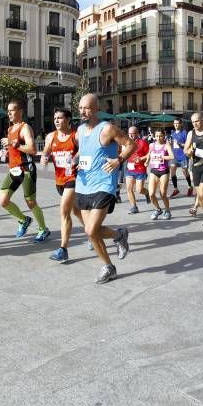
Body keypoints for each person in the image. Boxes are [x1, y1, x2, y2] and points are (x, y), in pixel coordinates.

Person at [75, 94, 137, 283]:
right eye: (80, 108)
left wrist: (119, 160)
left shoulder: (107, 129)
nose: (82, 111)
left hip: (104, 184)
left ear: (95, 108)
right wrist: (76, 161)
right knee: (91, 230)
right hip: (83, 184)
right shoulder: (79, 130)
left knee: (90, 230)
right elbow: (84, 151)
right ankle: (118, 238)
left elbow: (130, 145)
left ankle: (109, 262)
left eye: (86, 108)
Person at [0, 100, 50, 242]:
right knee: (3, 201)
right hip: (14, 169)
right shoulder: (10, 129)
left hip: (26, 169)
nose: (9, 113)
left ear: (20, 111)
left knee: (31, 202)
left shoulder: (25, 128)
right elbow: (14, 148)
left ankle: (43, 229)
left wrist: (14, 144)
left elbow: (32, 149)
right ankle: (23, 219)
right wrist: (7, 151)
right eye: (8, 110)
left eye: (12, 110)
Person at [41, 108, 83, 263]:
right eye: (55, 118)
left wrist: (76, 158)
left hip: (73, 179)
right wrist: (44, 158)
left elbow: (85, 151)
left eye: (60, 118)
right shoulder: (51, 137)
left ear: (68, 120)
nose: (57, 121)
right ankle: (92, 234)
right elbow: (45, 152)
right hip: (59, 181)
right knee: (77, 212)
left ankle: (63, 249)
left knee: (64, 211)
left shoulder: (75, 136)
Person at [147, 129, 174, 220]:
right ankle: (158, 209)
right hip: (154, 170)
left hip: (164, 171)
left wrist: (162, 157)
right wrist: (147, 161)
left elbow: (172, 156)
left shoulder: (166, 145)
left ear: (164, 136)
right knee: (151, 194)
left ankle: (167, 210)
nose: (158, 138)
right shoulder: (152, 145)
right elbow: (149, 154)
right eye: (157, 136)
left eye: (160, 136)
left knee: (162, 193)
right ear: (154, 136)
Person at [124, 126, 150, 213]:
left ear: (137, 133)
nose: (131, 135)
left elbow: (148, 155)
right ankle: (134, 207)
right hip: (130, 169)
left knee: (139, 190)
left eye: (133, 133)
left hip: (140, 169)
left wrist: (141, 159)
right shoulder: (126, 143)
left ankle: (146, 193)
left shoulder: (143, 143)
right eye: (129, 133)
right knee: (129, 189)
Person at [168, 117, 193, 197]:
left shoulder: (184, 133)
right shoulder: (172, 133)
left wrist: (179, 143)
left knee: (185, 172)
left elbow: (187, 145)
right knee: (172, 171)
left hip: (183, 155)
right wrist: (170, 143)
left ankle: (190, 187)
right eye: (174, 123)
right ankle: (176, 189)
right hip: (174, 155)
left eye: (177, 123)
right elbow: (171, 145)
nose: (175, 125)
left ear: (181, 124)